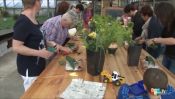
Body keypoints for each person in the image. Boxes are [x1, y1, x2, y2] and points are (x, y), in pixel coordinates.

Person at [12, 0, 53, 91]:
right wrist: (39, 53)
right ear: (36, 2)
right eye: (41, 1)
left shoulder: (33, 19)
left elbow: (36, 41)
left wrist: (50, 45)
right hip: (29, 69)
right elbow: (16, 47)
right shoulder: (23, 22)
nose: (42, 2)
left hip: (38, 67)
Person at [147, 2, 175, 74]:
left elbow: (173, 40)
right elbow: (163, 36)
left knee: (172, 77)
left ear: (165, 14)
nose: (158, 18)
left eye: (159, 16)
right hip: (167, 53)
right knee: (164, 73)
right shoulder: (167, 23)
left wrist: (155, 40)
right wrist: (150, 41)